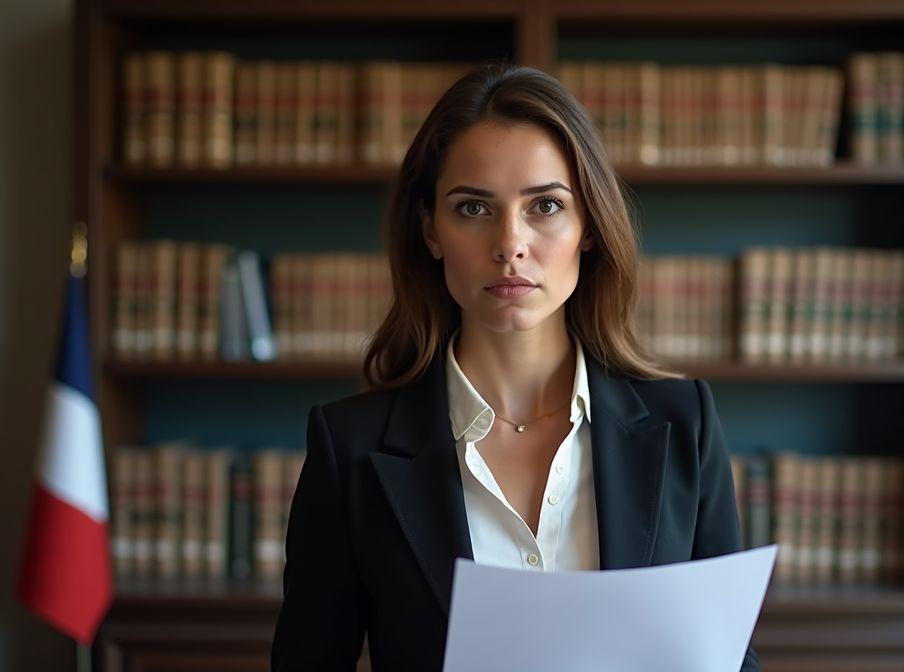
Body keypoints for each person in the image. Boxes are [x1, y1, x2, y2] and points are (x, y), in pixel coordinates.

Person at [270, 60, 760, 672]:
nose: (510, 243)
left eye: (545, 206)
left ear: (588, 226)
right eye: (474, 209)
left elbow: (728, 659)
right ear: (430, 231)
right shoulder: (351, 448)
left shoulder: (684, 423)